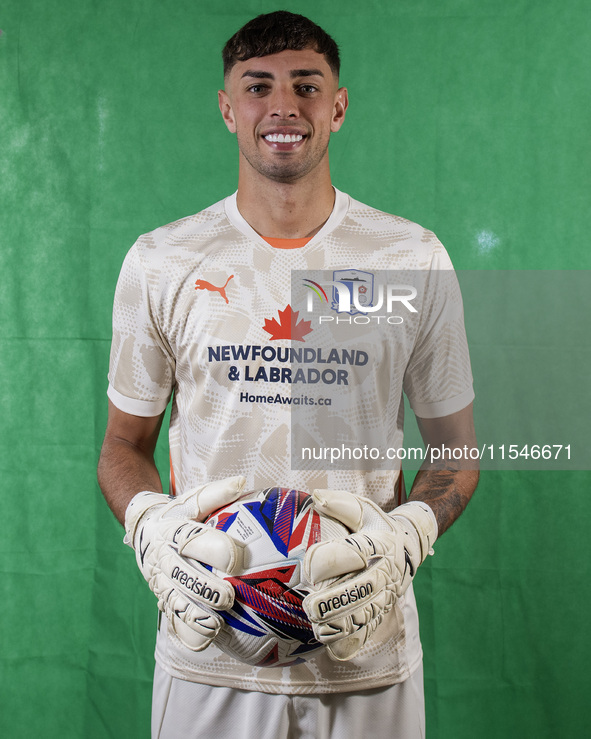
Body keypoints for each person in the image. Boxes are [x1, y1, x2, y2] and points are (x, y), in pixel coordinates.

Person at [98, 10, 479, 738]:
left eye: (306, 86)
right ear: (225, 107)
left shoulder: (410, 257)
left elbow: (455, 453)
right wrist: (149, 524)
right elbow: (122, 446)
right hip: (211, 646)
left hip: (363, 650)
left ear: (337, 106)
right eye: (257, 86)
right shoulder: (163, 260)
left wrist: (409, 535)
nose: (282, 106)